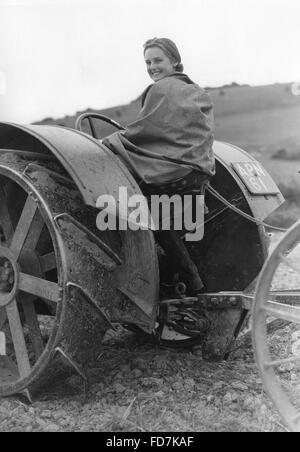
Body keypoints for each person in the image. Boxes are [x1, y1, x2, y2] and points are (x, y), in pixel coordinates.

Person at [103, 38, 215, 294]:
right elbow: (167, 133)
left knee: (136, 207)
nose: (152, 67)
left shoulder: (161, 90)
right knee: (158, 213)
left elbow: (143, 132)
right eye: (148, 62)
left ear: (174, 60)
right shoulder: (194, 89)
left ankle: (187, 278)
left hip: (176, 171)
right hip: (197, 170)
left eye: (157, 60)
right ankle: (171, 275)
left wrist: (111, 141)